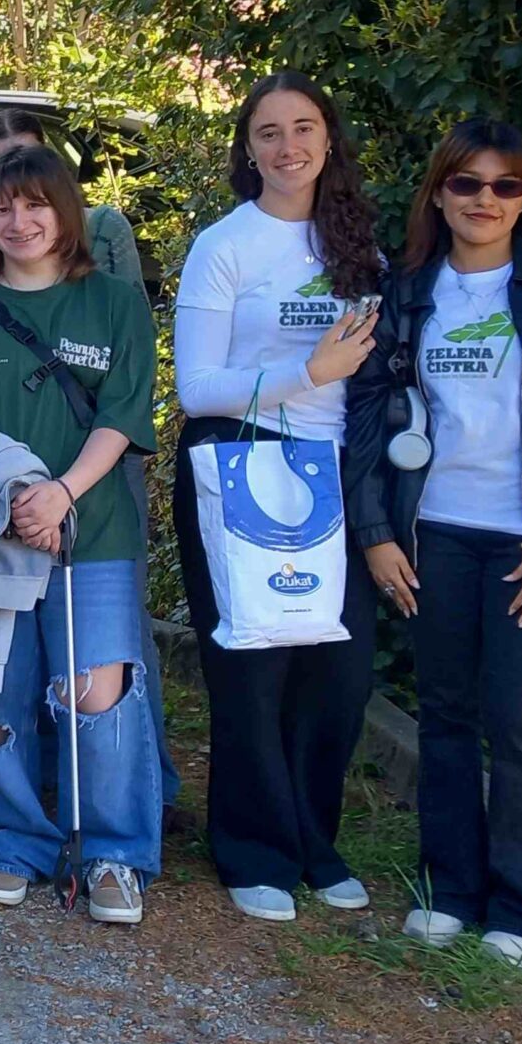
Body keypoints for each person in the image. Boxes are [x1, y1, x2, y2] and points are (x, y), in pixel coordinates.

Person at [348, 121, 522, 969]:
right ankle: (452, 889)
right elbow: (368, 415)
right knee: (446, 715)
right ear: (439, 193)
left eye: (506, 187)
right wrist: (377, 532)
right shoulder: (408, 293)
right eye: (467, 183)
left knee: (517, 719)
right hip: (434, 533)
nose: (485, 200)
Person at [0, 143, 160, 926]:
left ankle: (114, 852)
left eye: (35, 203)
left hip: (91, 525)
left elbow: (125, 416)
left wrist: (61, 491)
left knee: (98, 691)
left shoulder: (117, 303)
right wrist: (20, 493)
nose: (19, 221)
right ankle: (15, 835)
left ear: (67, 208)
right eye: (1, 207)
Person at [170, 75, 385, 919]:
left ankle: (314, 843)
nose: (287, 146)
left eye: (303, 128)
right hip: (241, 464)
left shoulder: (358, 245)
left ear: (329, 139)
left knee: (338, 672)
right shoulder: (224, 246)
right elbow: (196, 387)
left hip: (337, 476)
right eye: (268, 132)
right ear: (247, 148)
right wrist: (307, 373)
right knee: (253, 667)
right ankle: (254, 849)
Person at [0, 108, 142, 286]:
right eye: (2, 164)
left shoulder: (102, 227)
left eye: (30, 160)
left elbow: (131, 306)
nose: (17, 173)